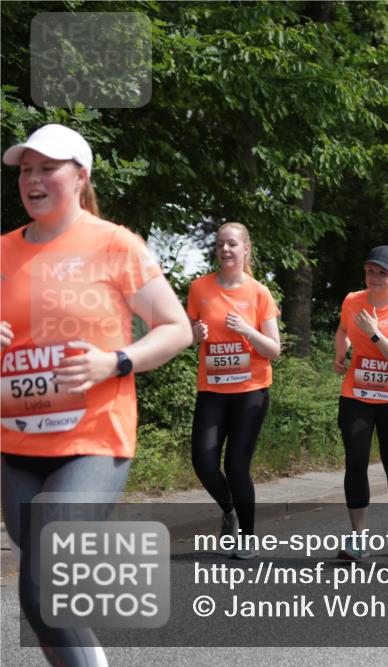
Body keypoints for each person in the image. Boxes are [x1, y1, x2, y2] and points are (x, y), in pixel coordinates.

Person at [1, 124, 191, 666]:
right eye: (26, 170)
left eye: (47, 168)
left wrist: (116, 360)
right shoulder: (2, 252)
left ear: (80, 177)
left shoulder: (115, 244)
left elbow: (175, 327)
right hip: (17, 440)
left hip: (94, 436)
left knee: (44, 577)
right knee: (42, 598)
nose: (33, 180)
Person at [187, 222, 280, 559]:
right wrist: (194, 334)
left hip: (250, 390)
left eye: (231, 244)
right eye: (220, 244)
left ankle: (248, 537)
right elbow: (186, 334)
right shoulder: (199, 288)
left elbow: (273, 349)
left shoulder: (259, 293)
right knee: (203, 461)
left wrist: (246, 331)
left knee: (237, 465)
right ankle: (230, 511)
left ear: (245, 250)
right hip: (212, 389)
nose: (225, 250)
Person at [333, 246, 388, 560]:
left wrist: (374, 335)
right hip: (356, 394)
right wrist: (340, 353)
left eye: (382, 273)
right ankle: (358, 538)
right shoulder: (352, 300)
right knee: (355, 462)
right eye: (371, 270)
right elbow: (344, 328)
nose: (374, 277)